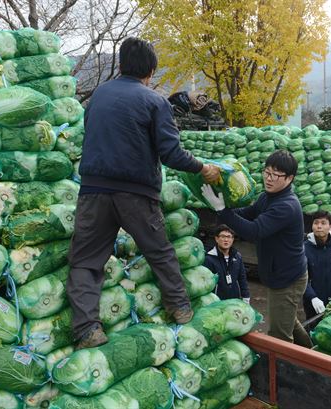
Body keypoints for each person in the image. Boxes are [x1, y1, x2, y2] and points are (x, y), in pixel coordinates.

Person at [66, 37, 220, 350]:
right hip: (136, 192)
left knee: (85, 261)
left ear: (121, 65)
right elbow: (171, 154)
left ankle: (87, 330)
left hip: (93, 190)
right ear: (150, 71)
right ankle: (180, 307)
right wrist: (203, 167)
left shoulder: (97, 97)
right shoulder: (155, 102)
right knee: (158, 251)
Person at [200, 150, 313, 347]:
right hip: (278, 274)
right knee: (287, 321)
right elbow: (245, 214)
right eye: (266, 172)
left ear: (290, 178)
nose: (269, 179)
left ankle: (285, 372)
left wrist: (222, 211)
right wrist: (221, 206)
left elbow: (254, 231)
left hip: (288, 279)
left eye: (276, 175)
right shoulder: (267, 197)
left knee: (279, 337)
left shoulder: (286, 205)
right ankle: (314, 355)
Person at [203, 225, 250, 303]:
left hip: (234, 300)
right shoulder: (209, 258)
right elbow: (205, 283)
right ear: (216, 239)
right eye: (223, 236)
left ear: (232, 239)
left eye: (229, 237)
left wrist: (246, 297)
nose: (226, 240)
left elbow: (242, 278)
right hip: (216, 302)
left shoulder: (237, 257)